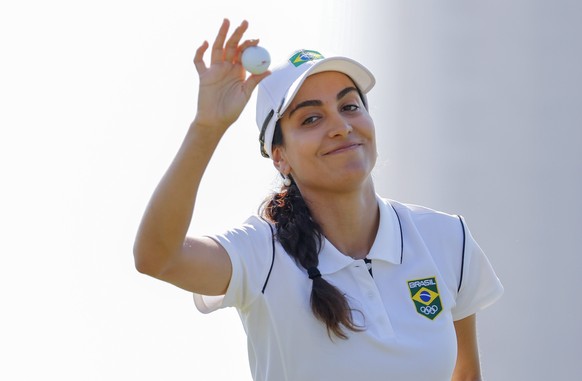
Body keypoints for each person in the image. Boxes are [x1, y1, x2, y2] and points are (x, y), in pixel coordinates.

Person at [134, 18, 503, 381]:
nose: (341, 125)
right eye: (311, 118)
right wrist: (207, 128)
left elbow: (465, 374)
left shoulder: (446, 238)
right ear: (280, 156)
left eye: (350, 106)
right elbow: (157, 257)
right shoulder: (262, 253)